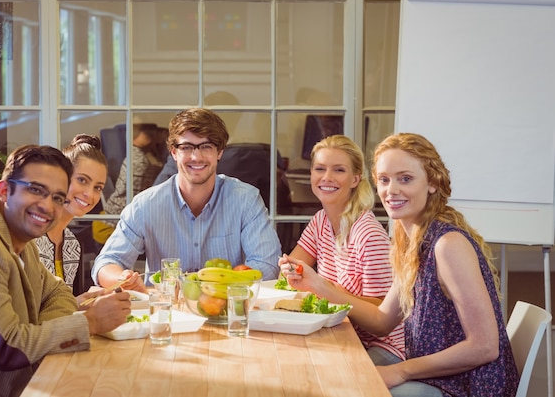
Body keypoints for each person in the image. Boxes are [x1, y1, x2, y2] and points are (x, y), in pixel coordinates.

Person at [282, 133, 519, 397]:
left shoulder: (447, 244)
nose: (391, 190)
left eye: (405, 179)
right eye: (384, 180)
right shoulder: (409, 241)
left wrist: (401, 370)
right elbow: (382, 321)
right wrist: (318, 285)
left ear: (432, 182)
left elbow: (485, 347)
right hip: (434, 376)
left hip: (467, 385)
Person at [0, 144, 131, 397]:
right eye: (36, 190)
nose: (47, 206)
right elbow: (7, 348)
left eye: (58, 197)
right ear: (4, 190)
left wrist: (33, 330)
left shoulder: (18, 239)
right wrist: (89, 321)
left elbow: (58, 292)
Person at [92, 107, 282, 291]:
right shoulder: (146, 205)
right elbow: (106, 263)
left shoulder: (246, 200)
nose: (196, 157)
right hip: (166, 315)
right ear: (174, 152)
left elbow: (267, 265)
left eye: (206, 146)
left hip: (226, 310)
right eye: (187, 147)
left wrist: (222, 285)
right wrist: (123, 279)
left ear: (220, 152)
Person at [278, 134, 405, 362]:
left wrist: (328, 290)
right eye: (320, 169)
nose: (327, 177)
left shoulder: (368, 234)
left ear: (356, 179)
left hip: (382, 346)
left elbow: (382, 313)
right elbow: (292, 269)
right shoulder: (320, 221)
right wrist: (289, 270)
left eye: (339, 170)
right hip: (342, 332)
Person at [36, 134, 107, 294]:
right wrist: (79, 304)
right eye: (82, 180)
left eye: (98, 187)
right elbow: (31, 311)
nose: (89, 194)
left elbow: (62, 308)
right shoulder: (31, 239)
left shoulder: (71, 244)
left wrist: (87, 302)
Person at [104, 123, 163, 216]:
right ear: (144, 137)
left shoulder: (135, 153)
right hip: (119, 216)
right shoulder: (139, 160)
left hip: (115, 211)